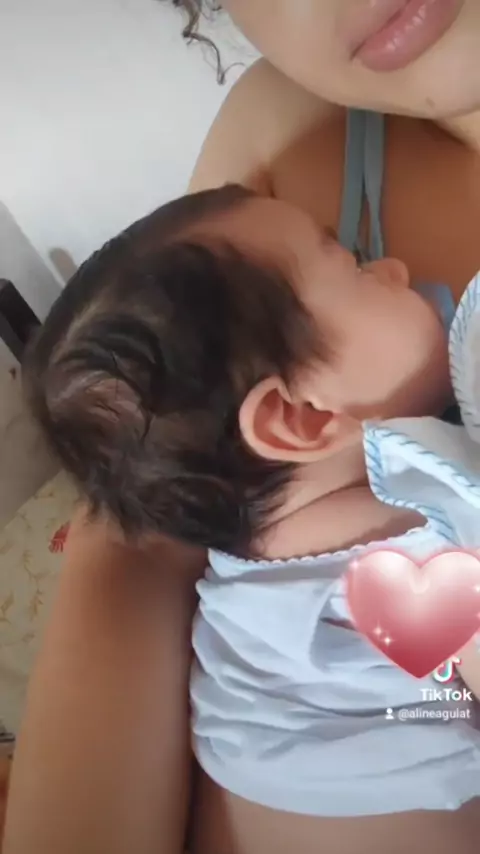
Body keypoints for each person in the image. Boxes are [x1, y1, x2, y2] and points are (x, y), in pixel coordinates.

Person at [5, 1, 480, 852]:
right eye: (354, 261)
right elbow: (137, 541)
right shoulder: (285, 130)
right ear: (297, 417)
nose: (395, 267)